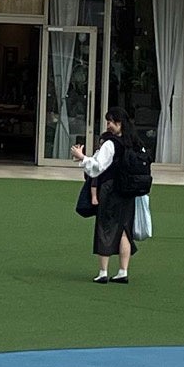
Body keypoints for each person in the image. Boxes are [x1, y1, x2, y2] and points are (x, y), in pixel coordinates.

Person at [74, 107, 139, 283]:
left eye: (110, 121)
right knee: (124, 230)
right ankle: (123, 271)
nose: (108, 125)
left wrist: (82, 158)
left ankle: (103, 272)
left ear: (119, 122)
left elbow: (98, 167)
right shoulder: (133, 142)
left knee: (105, 228)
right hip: (129, 190)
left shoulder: (111, 143)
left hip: (111, 189)